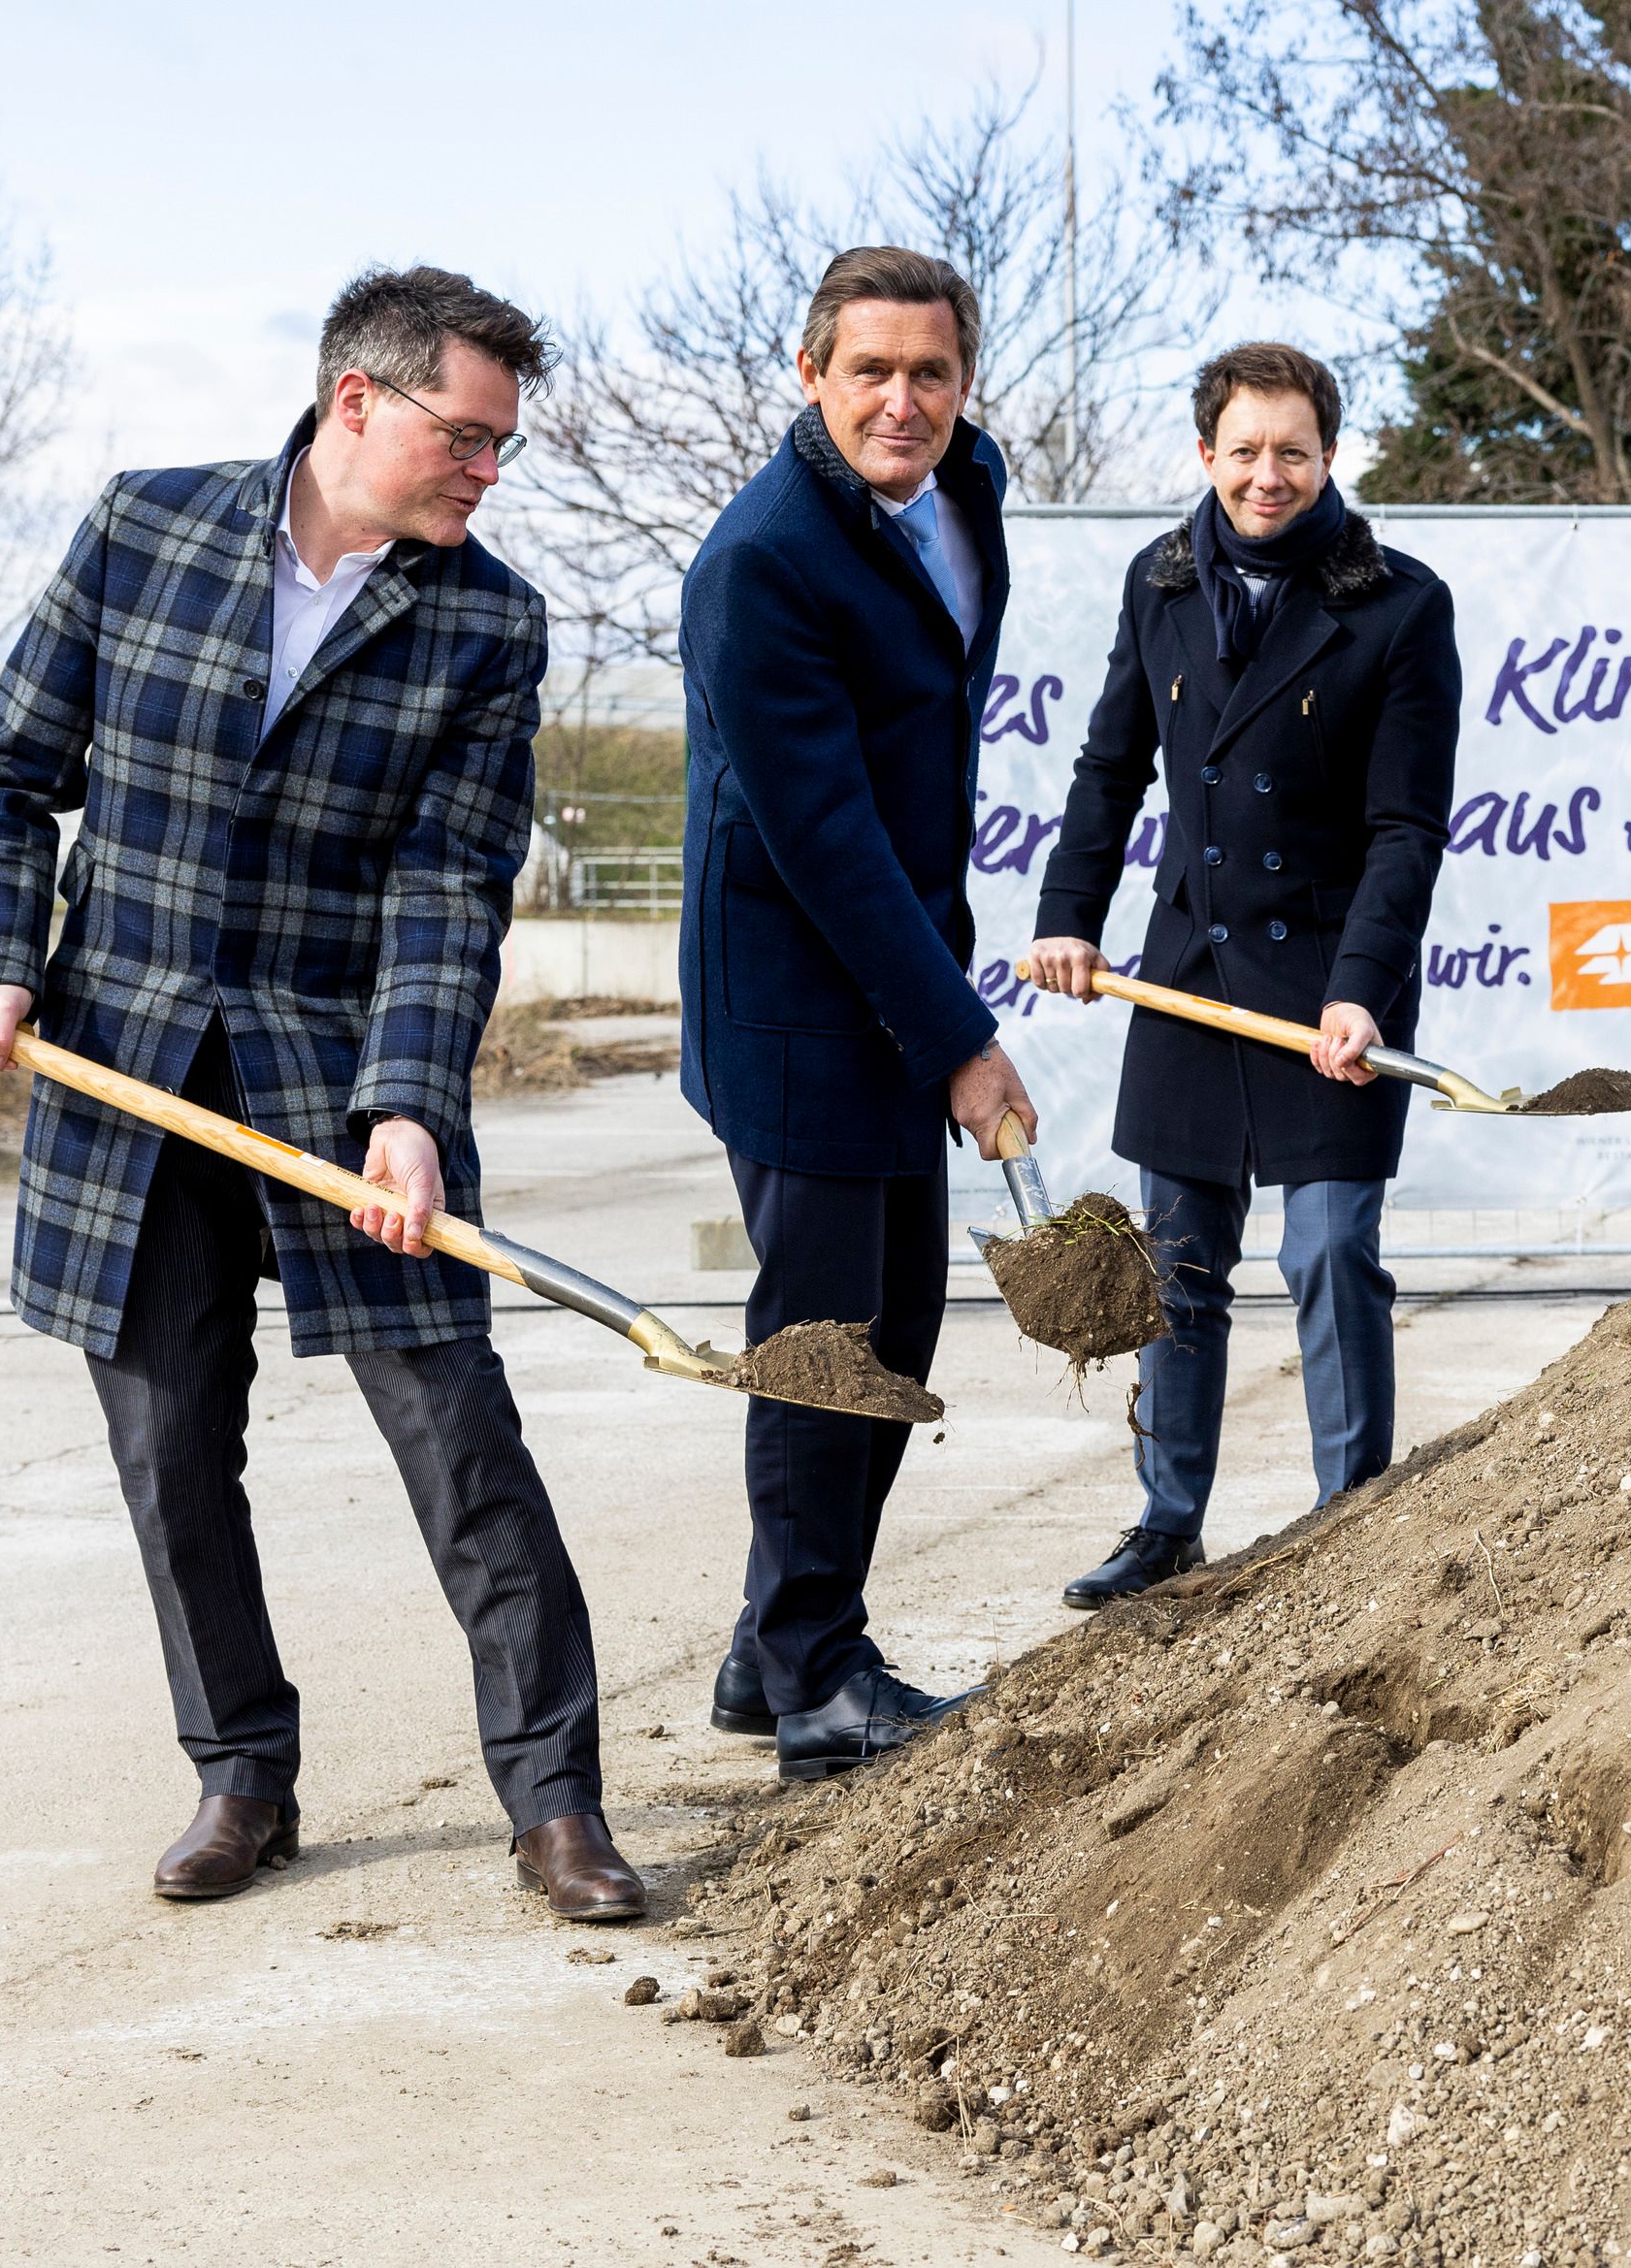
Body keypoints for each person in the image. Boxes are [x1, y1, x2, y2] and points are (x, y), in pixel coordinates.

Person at [0, 269, 641, 1921]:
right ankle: (240, 1771)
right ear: (357, 403)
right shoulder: (144, 531)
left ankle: (555, 1801)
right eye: (464, 437)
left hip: (346, 1085)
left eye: (501, 449)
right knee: (173, 1446)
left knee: (460, 1438)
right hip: (128, 1076)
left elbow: (447, 886)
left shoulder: (488, 617)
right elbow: (9, 781)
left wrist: (407, 1105)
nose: (486, 470)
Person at [1028, 341, 1461, 1606]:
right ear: (1204, 453)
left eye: (1294, 452)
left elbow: (1405, 829)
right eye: (1245, 450)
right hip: (1193, 971)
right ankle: (1169, 1520)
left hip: (1332, 980)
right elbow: (1112, 771)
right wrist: (1070, 915)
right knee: (1180, 1266)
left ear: (1330, 456)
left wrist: (1361, 988)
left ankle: (1351, 1515)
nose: (1267, 475)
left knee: (1330, 1250)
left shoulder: (1398, 602)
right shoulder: (1159, 581)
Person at [677, 247, 1032, 1780]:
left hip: (894, 970)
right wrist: (959, 1035)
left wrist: (938, 1006)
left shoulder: (967, 493)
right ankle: (819, 1676)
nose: (904, 400)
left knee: (896, 1322)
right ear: (811, 375)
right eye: (871, 370)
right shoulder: (764, 561)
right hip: (795, 999)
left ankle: (777, 1640)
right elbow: (821, 833)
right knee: (824, 1340)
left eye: (932, 372)